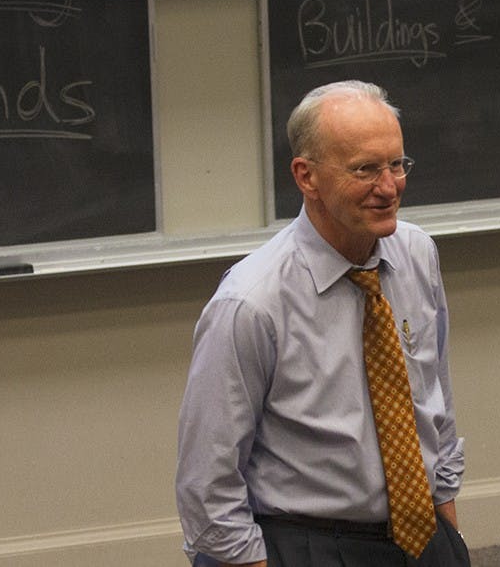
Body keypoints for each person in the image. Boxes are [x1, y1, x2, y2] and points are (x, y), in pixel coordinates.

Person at [175, 80, 467, 567]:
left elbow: (435, 394)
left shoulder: (416, 254)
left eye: (397, 164)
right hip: (308, 544)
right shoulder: (250, 303)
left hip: (421, 539)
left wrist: (445, 517)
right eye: (365, 170)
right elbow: (207, 481)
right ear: (306, 177)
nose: (388, 187)